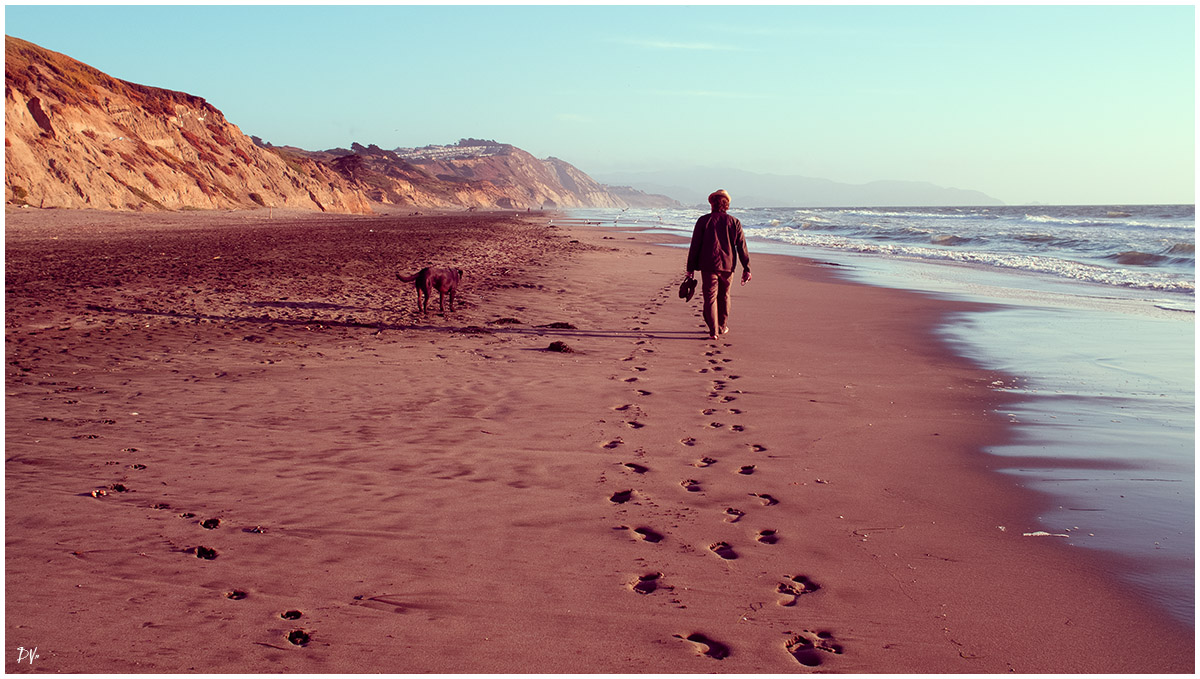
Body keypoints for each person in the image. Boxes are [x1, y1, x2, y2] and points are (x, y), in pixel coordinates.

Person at [685, 189, 751, 340]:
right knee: (725, 296)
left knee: (710, 298)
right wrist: (747, 268)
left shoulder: (703, 221)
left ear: (712, 204)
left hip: (708, 265)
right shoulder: (734, 222)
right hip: (728, 266)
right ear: (727, 205)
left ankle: (713, 331)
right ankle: (722, 326)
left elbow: (695, 246)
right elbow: (742, 247)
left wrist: (690, 269)